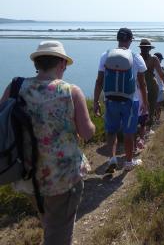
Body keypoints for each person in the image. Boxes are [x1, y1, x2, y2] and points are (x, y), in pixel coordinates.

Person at [0, 40, 95, 245]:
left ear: (37, 64)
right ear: (61, 63)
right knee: (59, 234)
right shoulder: (71, 91)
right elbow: (87, 133)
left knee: (50, 225)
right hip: (63, 178)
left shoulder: (16, 86)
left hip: (27, 175)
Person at [93, 28, 148, 173]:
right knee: (129, 132)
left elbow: (99, 81)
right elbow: (142, 83)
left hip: (110, 99)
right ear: (130, 40)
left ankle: (112, 158)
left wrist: (95, 101)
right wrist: (146, 102)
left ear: (117, 39)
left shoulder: (106, 55)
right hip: (130, 100)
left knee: (111, 131)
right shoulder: (136, 57)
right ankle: (129, 162)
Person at [138, 39, 164, 131]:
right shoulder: (153, 59)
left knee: (149, 106)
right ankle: (145, 128)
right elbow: (161, 73)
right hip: (145, 86)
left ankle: (146, 128)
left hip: (145, 86)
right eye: (143, 48)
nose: (144, 49)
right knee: (148, 106)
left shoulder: (137, 57)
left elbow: (161, 73)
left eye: (145, 48)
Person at [153, 52, 164, 123]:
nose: (161, 61)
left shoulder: (149, 67)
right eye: (161, 59)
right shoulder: (161, 68)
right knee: (158, 105)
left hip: (152, 88)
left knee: (152, 104)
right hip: (160, 88)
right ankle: (157, 119)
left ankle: (153, 118)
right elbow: (163, 77)